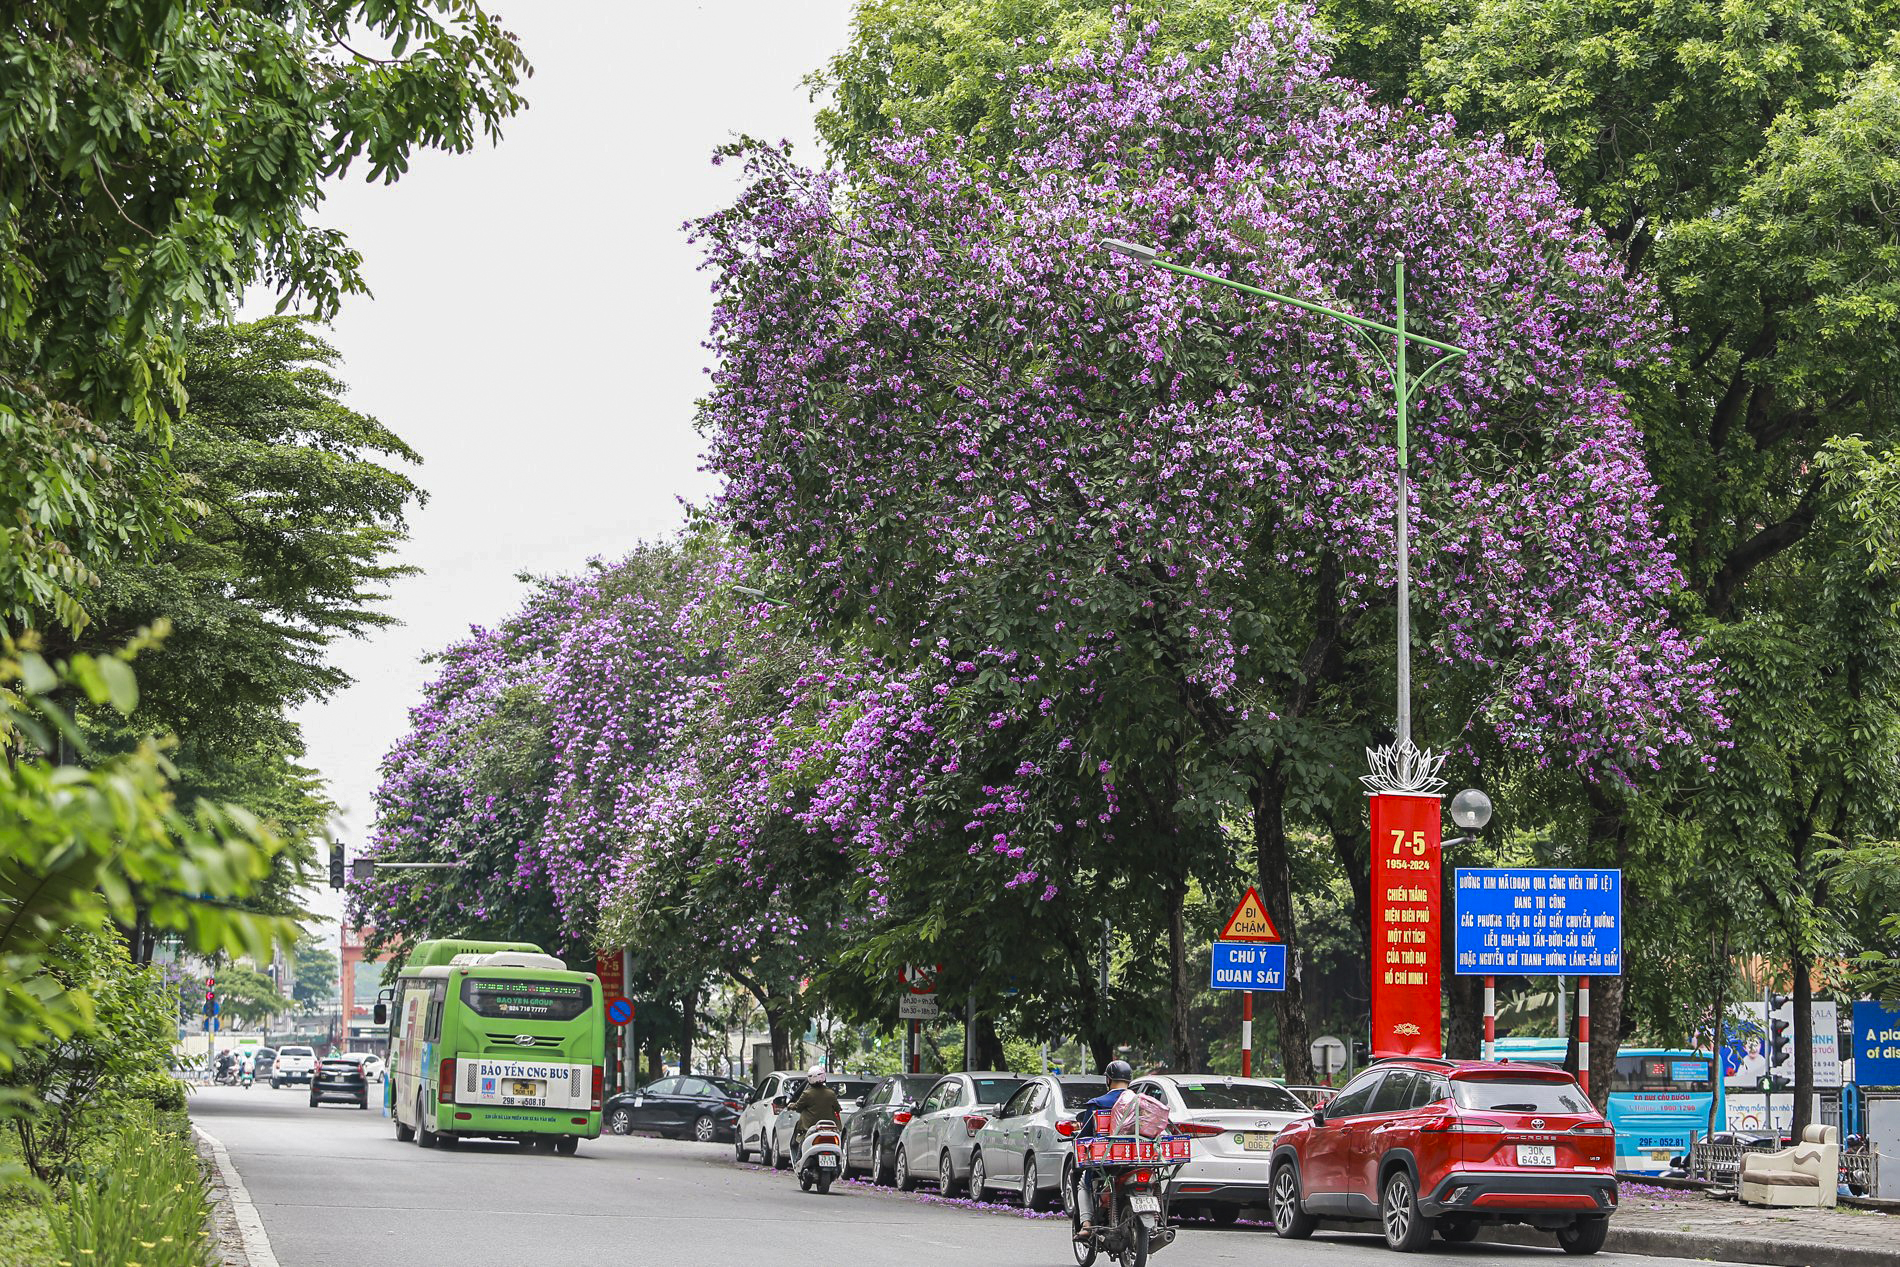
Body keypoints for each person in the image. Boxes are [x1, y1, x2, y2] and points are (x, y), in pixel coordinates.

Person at [1073, 1059, 1134, 1243]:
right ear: (1129, 1080)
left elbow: (1085, 1135)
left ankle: (1086, 1224)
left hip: (1108, 1163)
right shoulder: (1140, 1102)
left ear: (1108, 1079)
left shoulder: (1098, 1103)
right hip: (1138, 1160)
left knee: (1084, 1183)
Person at [787, 1067, 842, 1156]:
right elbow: (838, 1108)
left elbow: (798, 1107)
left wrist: (791, 1105)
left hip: (809, 1127)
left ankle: (798, 1160)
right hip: (829, 1127)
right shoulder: (831, 1093)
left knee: (801, 1141)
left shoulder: (806, 1094)